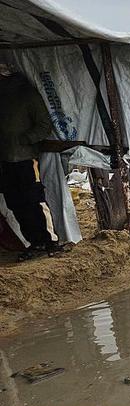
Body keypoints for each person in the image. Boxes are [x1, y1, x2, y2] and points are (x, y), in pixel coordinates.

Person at [0, 62, 58, 261]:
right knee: (15, 202)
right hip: (5, 160)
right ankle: (34, 241)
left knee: (33, 200)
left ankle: (48, 240)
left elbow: (44, 125)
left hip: (25, 158)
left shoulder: (27, 95)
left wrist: (26, 139)